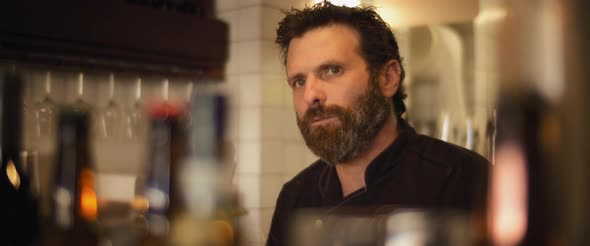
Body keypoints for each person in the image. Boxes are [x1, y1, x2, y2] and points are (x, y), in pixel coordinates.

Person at [267, 2, 489, 245]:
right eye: (298, 81)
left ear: (388, 78)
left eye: (332, 70)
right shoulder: (295, 196)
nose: (310, 95)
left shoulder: (465, 179)